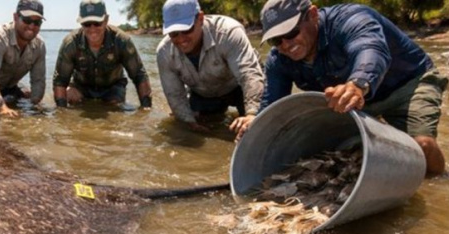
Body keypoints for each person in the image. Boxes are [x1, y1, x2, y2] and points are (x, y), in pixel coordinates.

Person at [238, 0, 447, 176]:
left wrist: (358, 84)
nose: (285, 44)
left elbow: (370, 48)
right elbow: (273, 104)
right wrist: (255, 123)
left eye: (291, 33)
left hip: (407, 84)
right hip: (355, 101)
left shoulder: (351, 19)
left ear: (312, 15)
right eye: (276, 40)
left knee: (422, 146)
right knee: (335, 155)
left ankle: (438, 185)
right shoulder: (279, 60)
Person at [157, 0, 264, 133]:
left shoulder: (228, 32)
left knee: (259, 125)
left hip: (238, 86)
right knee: (195, 128)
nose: (181, 39)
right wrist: (189, 122)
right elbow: (175, 95)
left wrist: (252, 114)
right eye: (173, 33)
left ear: (200, 18)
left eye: (186, 29)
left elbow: (249, 74)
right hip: (204, 93)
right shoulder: (164, 52)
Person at [53, 0, 152, 108]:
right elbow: (60, 81)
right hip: (81, 86)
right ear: (81, 23)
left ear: (106, 20)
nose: (92, 29)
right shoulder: (70, 43)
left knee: (114, 109)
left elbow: (139, 75)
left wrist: (146, 109)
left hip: (113, 87)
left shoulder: (121, 41)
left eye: (97, 23)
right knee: (71, 98)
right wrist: (61, 114)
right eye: (87, 24)